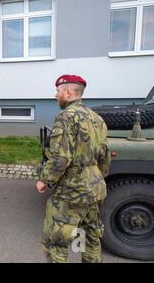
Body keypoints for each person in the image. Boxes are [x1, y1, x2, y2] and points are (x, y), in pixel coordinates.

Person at [37, 74, 111, 263]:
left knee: (57, 241)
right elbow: (105, 155)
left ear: (68, 93)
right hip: (94, 187)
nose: (56, 95)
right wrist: (97, 178)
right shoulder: (96, 118)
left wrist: (45, 180)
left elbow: (61, 157)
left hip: (72, 190)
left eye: (58, 91)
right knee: (90, 238)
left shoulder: (65, 117)